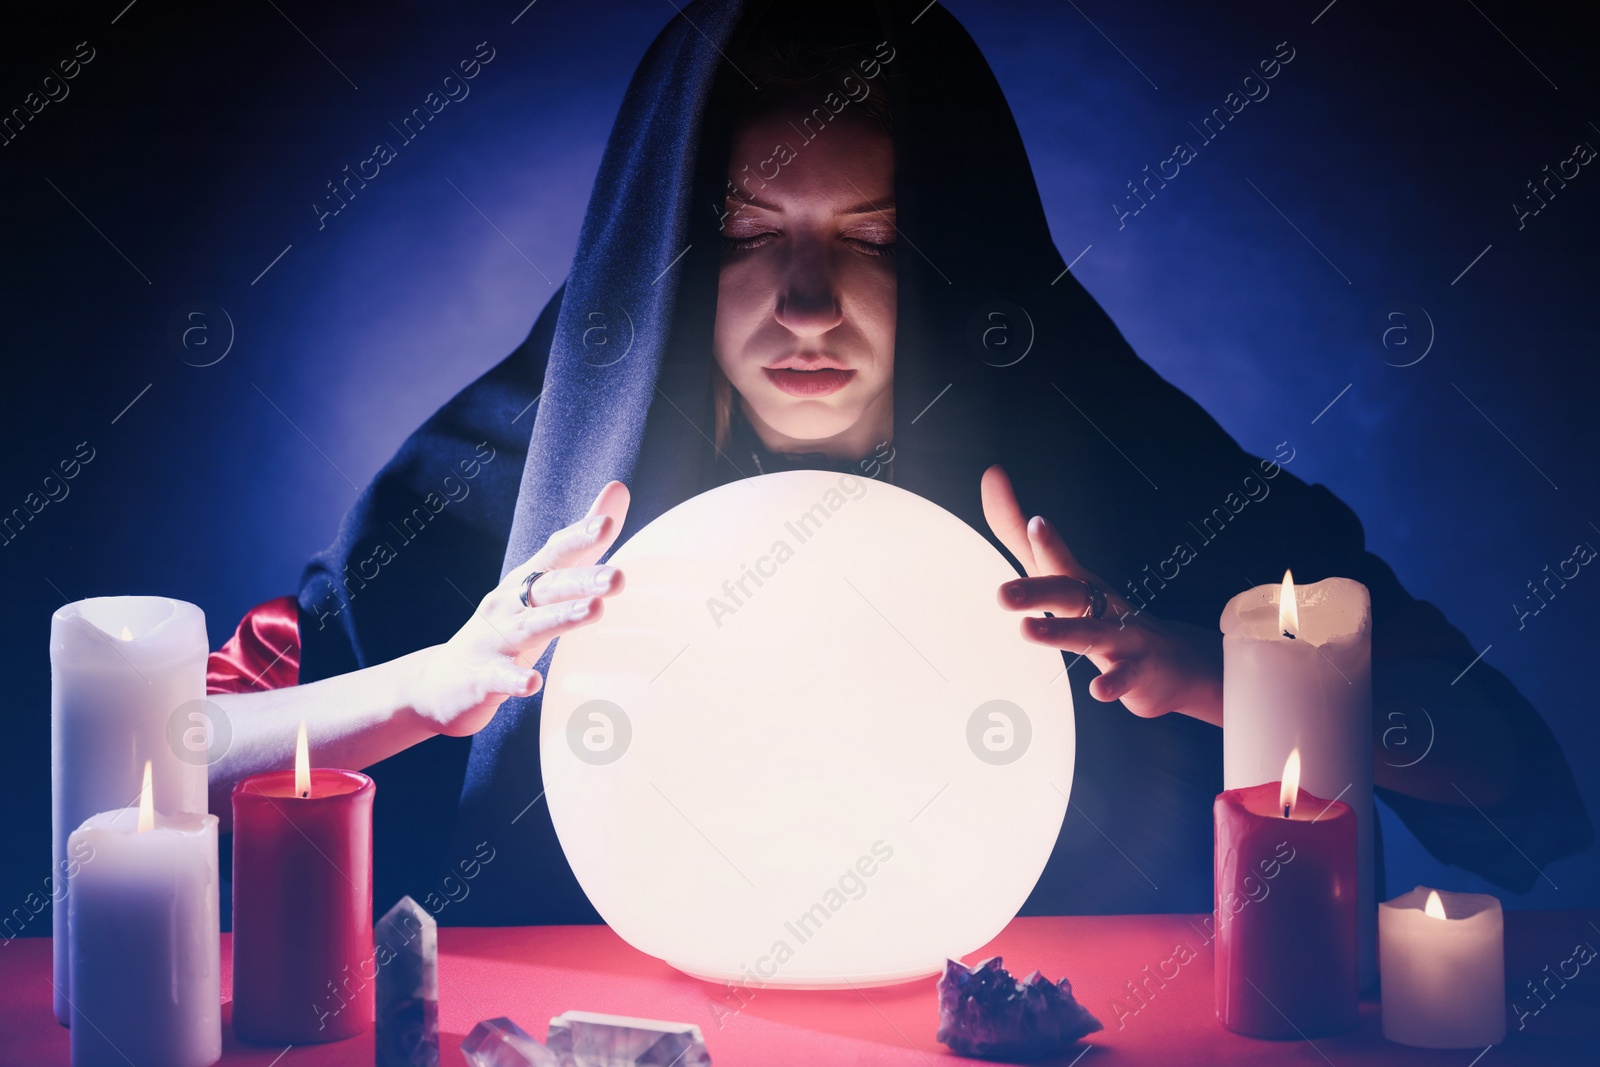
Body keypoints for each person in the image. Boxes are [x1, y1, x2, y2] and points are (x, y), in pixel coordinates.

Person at [205, 0, 1590, 923]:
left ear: (941, 254)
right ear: (677, 256)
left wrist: (1213, 678)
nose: (807, 304)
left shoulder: (1111, 467)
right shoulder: (514, 493)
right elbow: (156, 771)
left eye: (867, 239)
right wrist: (432, 687)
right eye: (752, 236)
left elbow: (1514, 781)